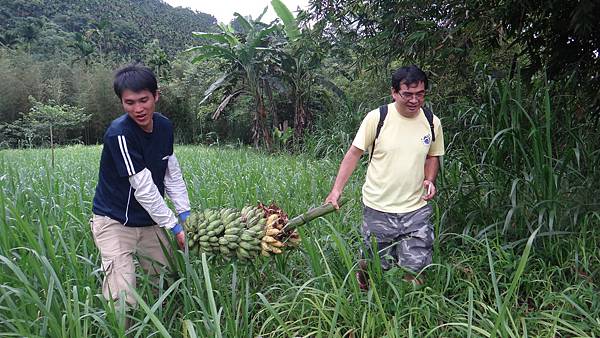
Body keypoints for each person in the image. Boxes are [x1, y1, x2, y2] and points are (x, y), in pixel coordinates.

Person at [324, 65, 444, 289]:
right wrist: (336, 190)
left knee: (416, 265)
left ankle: (411, 312)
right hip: (378, 207)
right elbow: (354, 153)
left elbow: (433, 156)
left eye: (420, 94)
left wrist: (430, 179)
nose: (414, 100)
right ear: (394, 92)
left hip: (416, 208)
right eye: (407, 94)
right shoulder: (377, 118)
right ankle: (364, 297)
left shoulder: (431, 121)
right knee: (373, 264)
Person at [90, 64, 191, 312]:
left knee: (164, 280)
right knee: (123, 298)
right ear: (122, 103)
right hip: (114, 222)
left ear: (156, 95)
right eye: (130, 102)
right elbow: (144, 189)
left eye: (144, 100)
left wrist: (186, 214)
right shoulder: (120, 134)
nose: (138, 109)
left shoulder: (165, 126)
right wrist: (175, 226)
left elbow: (171, 173)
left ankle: (162, 326)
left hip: (148, 221)